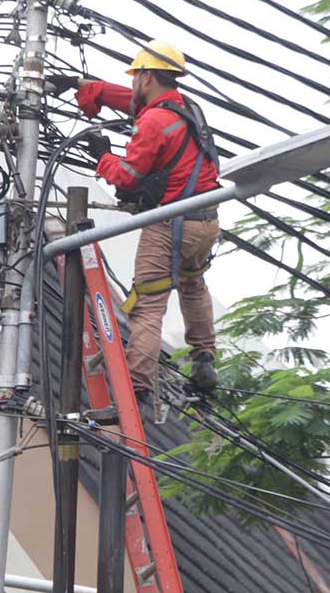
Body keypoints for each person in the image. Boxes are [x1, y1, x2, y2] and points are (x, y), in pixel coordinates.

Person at [71, 39, 221, 412]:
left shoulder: (154, 123)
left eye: (137, 75)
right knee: (192, 284)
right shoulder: (185, 108)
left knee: (148, 307)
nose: (134, 82)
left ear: (148, 76)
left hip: (171, 225)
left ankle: (136, 392)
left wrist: (102, 155)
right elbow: (139, 103)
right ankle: (205, 358)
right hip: (206, 221)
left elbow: (126, 178)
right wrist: (92, 90)